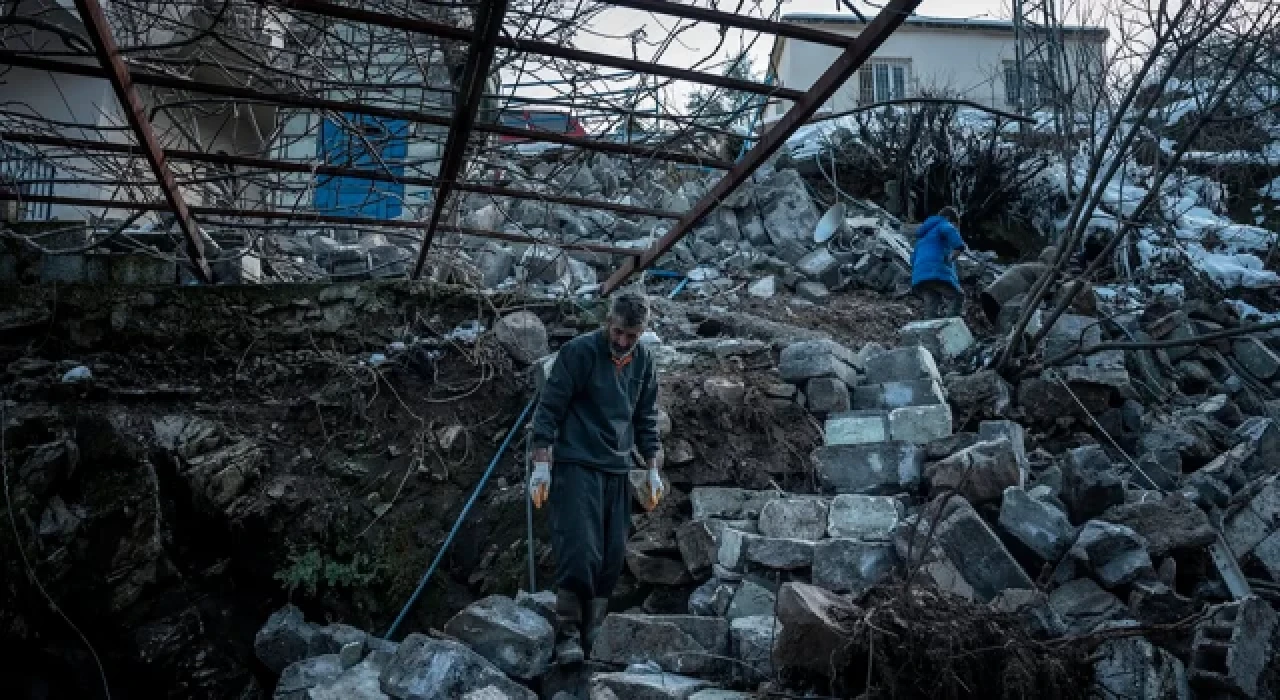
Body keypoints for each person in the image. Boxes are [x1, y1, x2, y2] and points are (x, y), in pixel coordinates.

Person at [528, 291, 664, 664]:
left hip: (617, 469)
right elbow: (550, 407)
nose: (622, 342)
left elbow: (646, 419)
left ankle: (595, 632)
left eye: (631, 336)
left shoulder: (644, 364)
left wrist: (652, 469)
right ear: (608, 322)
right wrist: (542, 461)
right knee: (579, 548)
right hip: (576, 464)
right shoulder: (580, 353)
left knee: (611, 555)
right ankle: (568, 630)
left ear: (641, 334)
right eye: (618, 332)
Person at [911, 206, 968, 319]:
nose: (955, 227)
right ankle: (951, 326)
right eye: (955, 224)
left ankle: (930, 331)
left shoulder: (922, 238)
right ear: (947, 218)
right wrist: (958, 247)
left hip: (919, 277)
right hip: (935, 271)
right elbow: (950, 231)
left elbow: (913, 259)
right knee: (958, 296)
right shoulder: (943, 224)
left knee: (932, 304)